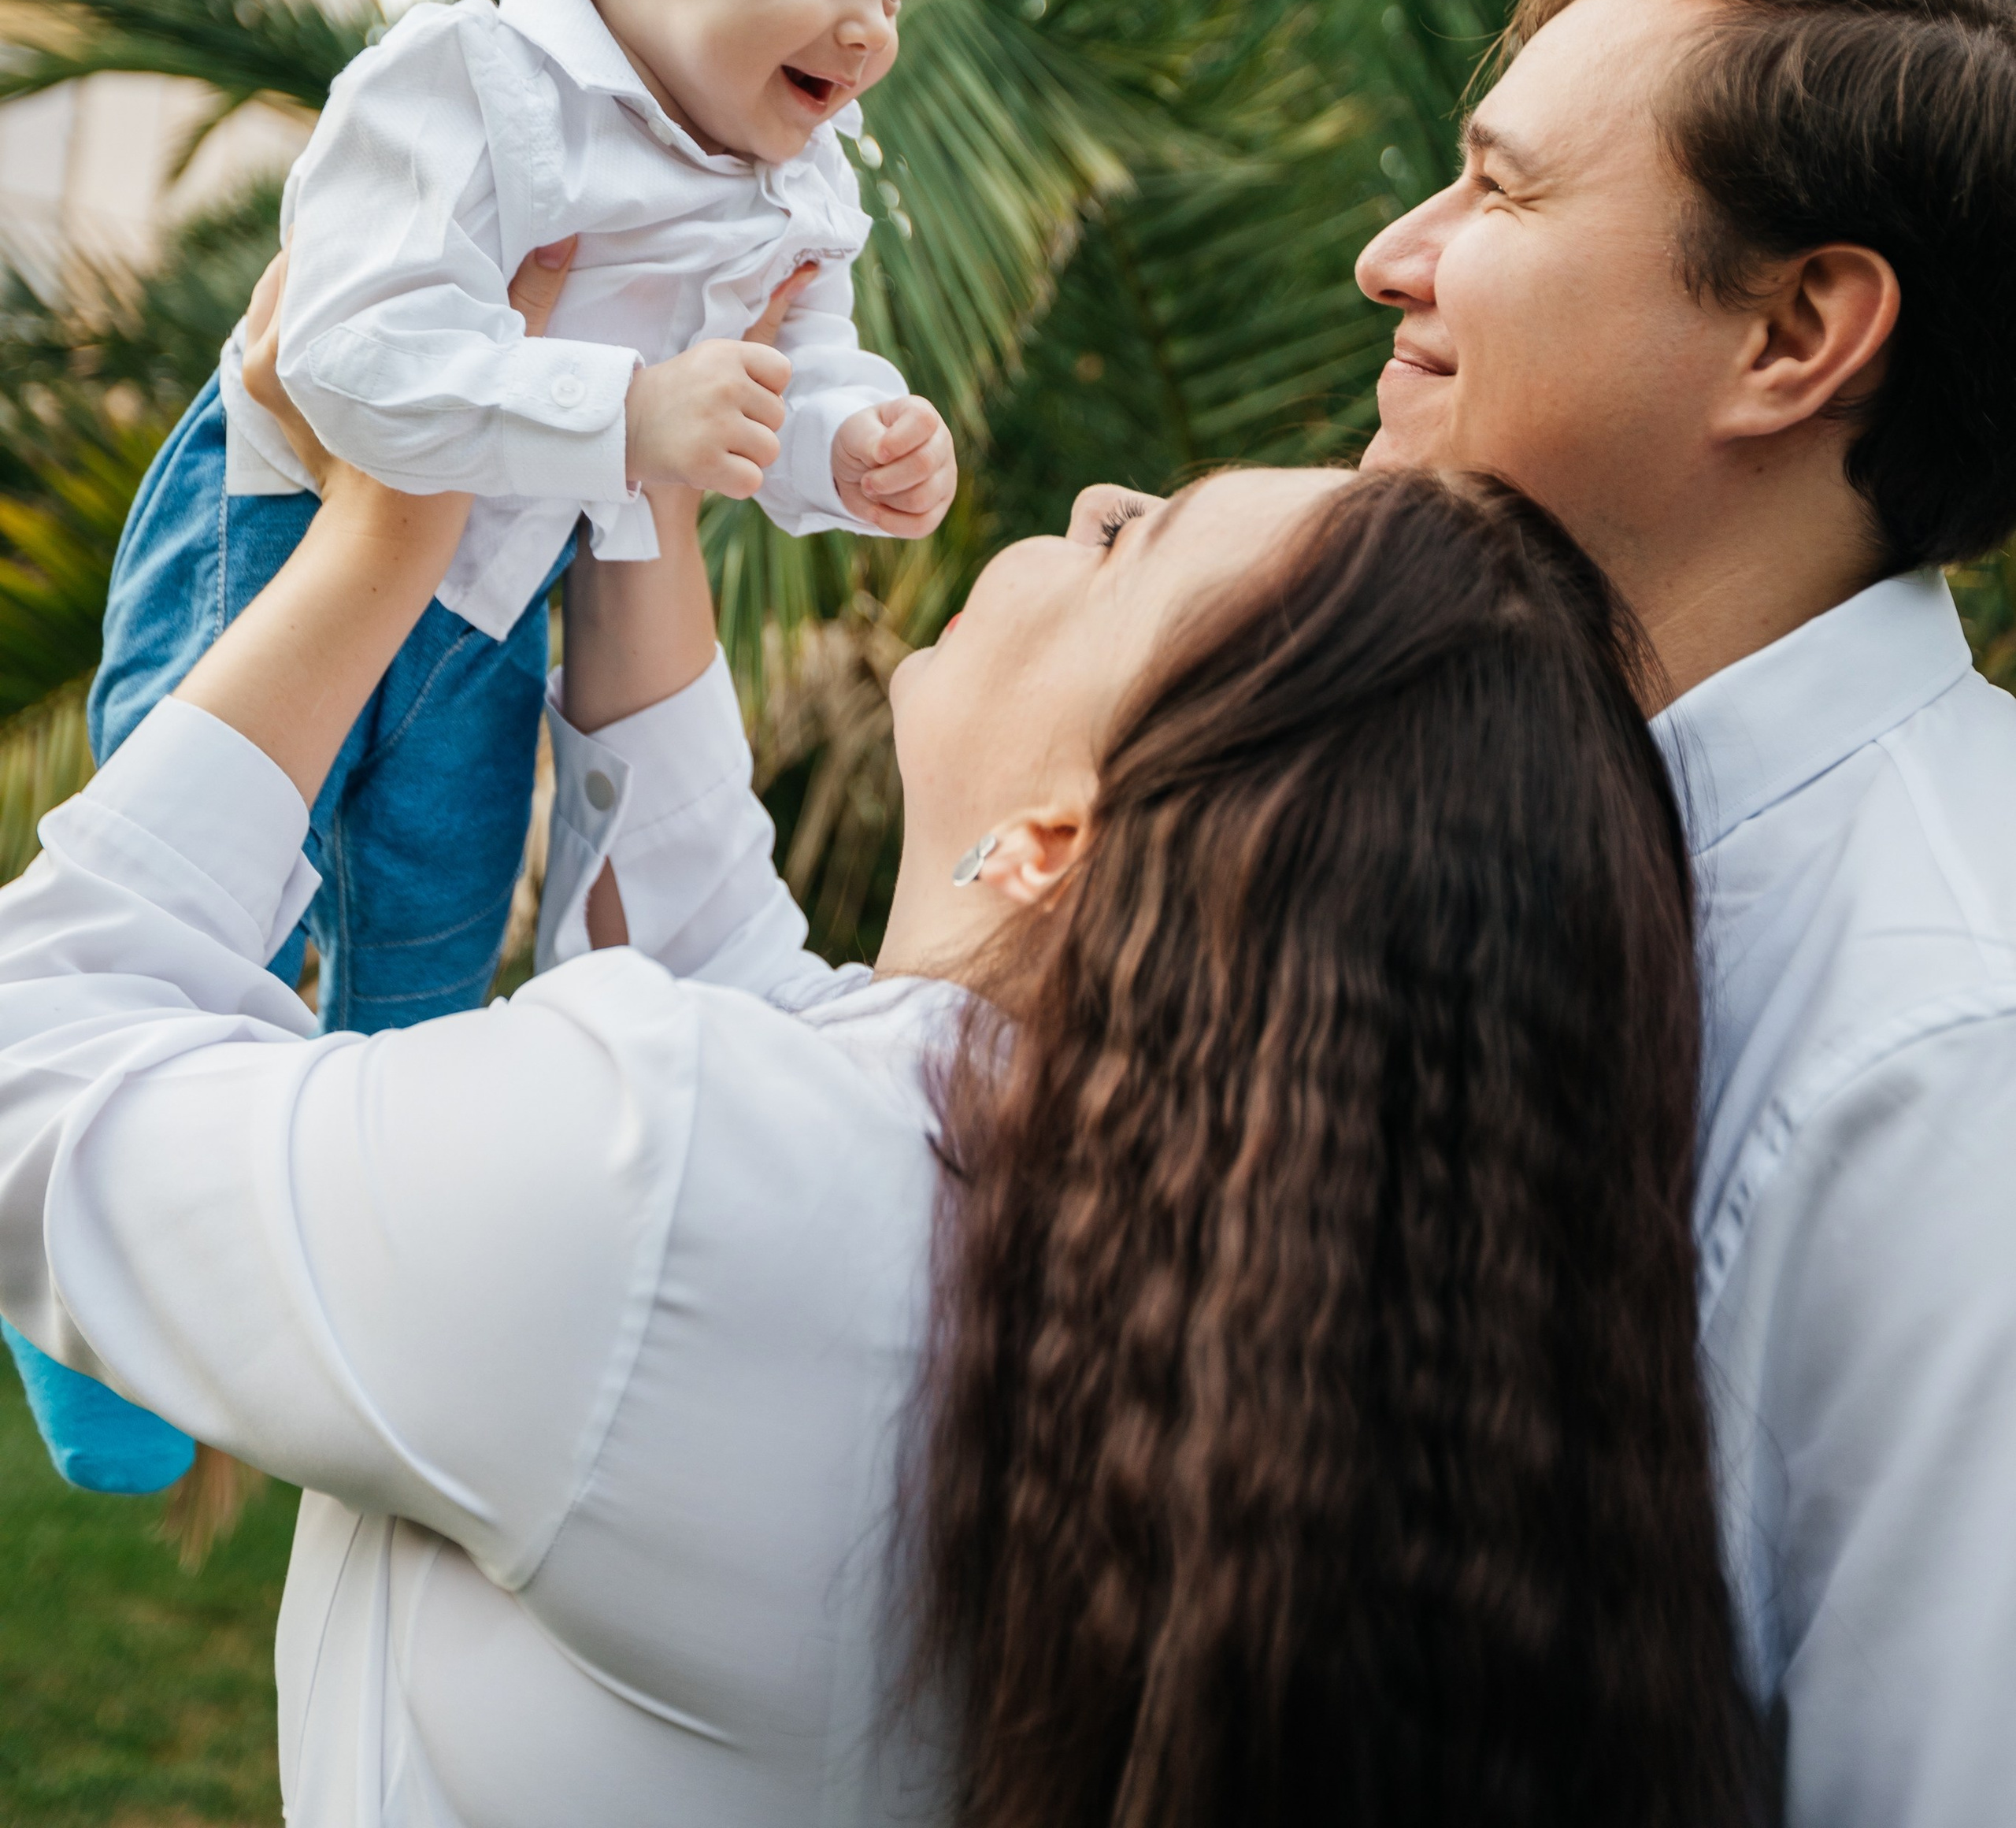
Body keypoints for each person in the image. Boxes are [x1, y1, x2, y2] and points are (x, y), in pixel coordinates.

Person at [0, 255, 1755, 1828]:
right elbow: (732, 969)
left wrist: (386, 531)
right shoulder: (1213, 1286)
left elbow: (39, 1078)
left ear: (1056, 835)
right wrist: (629, 470)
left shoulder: (683, 1181)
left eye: (1132, 546)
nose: (1093, 501)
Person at [9, 0, 958, 1498]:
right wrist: (630, 410)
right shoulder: (471, 88)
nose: (870, 26)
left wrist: (849, 447)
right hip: (290, 530)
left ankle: (382, 1258)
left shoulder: (797, 181)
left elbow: (796, 366)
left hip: (499, 587)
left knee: (438, 915)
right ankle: (80, 1309)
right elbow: (349, 355)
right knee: (218, 885)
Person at [1354, 0, 2016, 1827]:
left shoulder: (1952, 1062)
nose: (1388, 255)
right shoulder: (1440, 836)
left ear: (1792, 335)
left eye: (1497, 191)